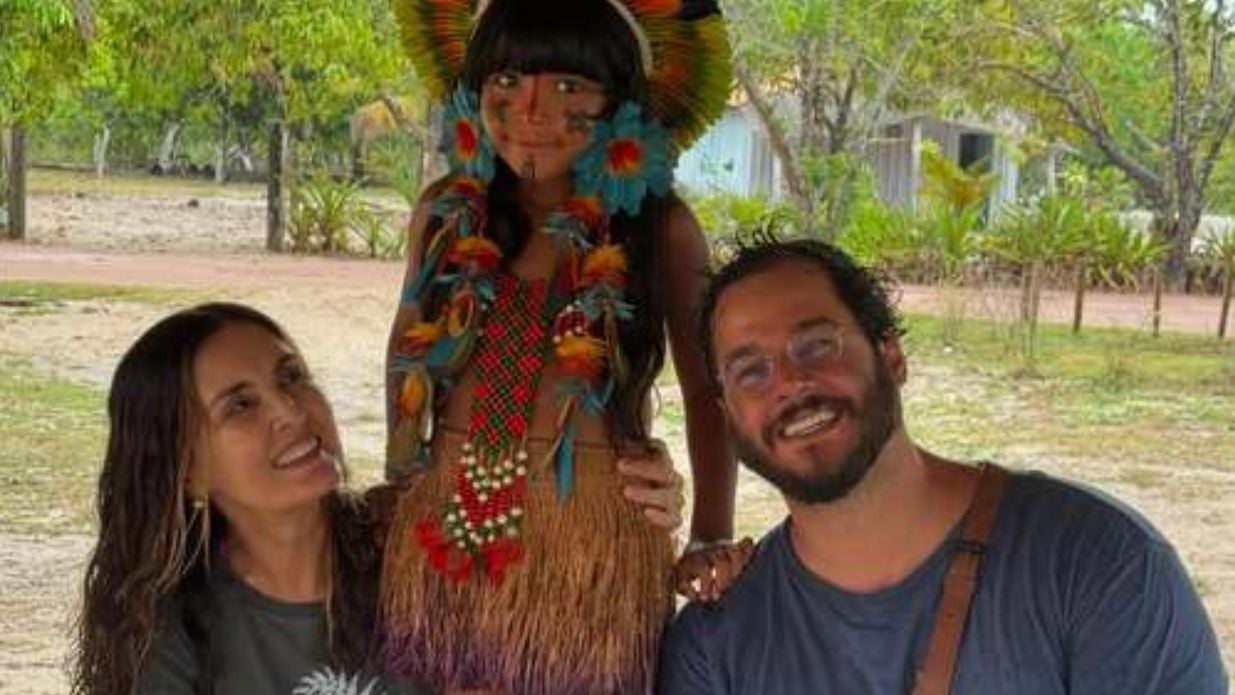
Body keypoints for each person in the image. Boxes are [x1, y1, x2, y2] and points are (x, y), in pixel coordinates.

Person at [657, 238, 1229, 694]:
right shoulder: (716, 644)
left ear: (892, 356)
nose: (789, 384)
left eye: (817, 345)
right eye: (750, 371)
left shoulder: (1093, 564)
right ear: (727, 413)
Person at [380, 0, 743, 692]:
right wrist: (401, 479)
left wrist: (706, 534)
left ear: (621, 105)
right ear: (474, 90)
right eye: (508, 82)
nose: (533, 113)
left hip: (594, 538)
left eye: (571, 88)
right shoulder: (443, 213)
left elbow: (708, 390)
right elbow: (405, 354)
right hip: (448, 518)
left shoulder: (658, 227)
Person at [71, 302, 686, 695]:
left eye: (291, 377)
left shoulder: (417, 545)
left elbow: (568, 571)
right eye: (240, 404)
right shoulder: (173, 629)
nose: (291, 411)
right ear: (186, 471)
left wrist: (641, 497)